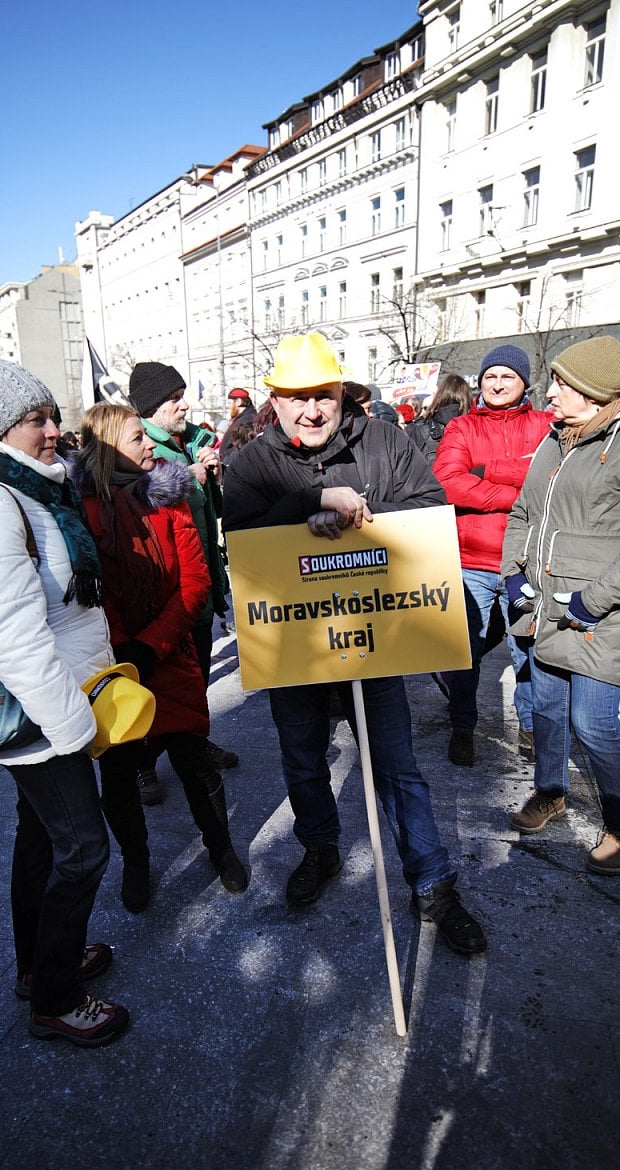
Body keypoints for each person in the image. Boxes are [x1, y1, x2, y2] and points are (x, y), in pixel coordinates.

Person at [223, 331, 486, 955]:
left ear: (342, 392)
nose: (311, 410)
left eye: (323, 396)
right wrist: (305, 504)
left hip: (376, 635)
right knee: (303, 756)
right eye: (295, 398)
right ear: (275, 401)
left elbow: (430, 506)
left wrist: (358, 513)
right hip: (295, 641)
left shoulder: (384, 440)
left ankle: (433, 884)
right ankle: (320, 846)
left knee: (397, 765)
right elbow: (239, 534)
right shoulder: (254, 462)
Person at [0, 330, 128, 1048]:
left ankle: (36, 963)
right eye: (36, 420)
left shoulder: (20, 486)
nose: (54, 431)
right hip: (43, 715)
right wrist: (72, 727)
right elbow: (12, 639)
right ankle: (54, 997)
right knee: (85, 851)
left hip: (50, 708)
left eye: (52, 415)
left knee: (41, 841)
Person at [502, 336, 620, 874]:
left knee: (594, 722)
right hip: (546, 606)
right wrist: (513, 574)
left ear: (594, 391)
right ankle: (551, 791)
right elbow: (522, 513)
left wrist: (592, 601)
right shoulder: (558, 438)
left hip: (600, 612)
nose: (549, 392)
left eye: (560, 382)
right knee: (549, 711)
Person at [72, 403, 248, 897]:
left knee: (194, 762)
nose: (150, 444)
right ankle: (137, 864)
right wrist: (124, 650)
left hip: (169, 656)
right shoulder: (79, 513)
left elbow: (194, 581)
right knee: (120, 776)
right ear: (108, 451)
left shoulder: (169, 497)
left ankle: (222, 849)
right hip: (111, 666)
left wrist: (150, 647)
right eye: (136, 439)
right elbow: (90, 592)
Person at [433, 345, 553, 766]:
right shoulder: (462, 427)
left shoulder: (547, 424)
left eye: (507, 377)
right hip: (473, 561)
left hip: (528, 560)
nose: (497, 384)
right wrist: (520, 488)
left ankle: (532, 729)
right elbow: (448, 483)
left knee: (528, 651)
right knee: (465, 652)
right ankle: (462, 727)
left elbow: (556, 477)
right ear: (479, 382)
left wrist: (489, 471)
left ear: (524, 383)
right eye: (490, 377)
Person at [128, 362, 237, 802]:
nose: (184, 404)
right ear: (152, 407)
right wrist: (185, 477)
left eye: (183, 394)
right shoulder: (137, 446)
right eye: (174, 398)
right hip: (164, 591)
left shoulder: (195, 439)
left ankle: (195, 743)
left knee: (197, 678)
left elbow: (212, 511)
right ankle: (142, 763)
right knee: (157, 682)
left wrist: (214, 474)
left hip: (202, 580)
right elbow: (135, 500)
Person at [406, 374, 473, 468]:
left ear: (439, 396)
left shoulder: (419, 429)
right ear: (468, 399)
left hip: (428, 480)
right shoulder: (476, 430)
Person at [219, 387, 257, 468]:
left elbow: (242, 448)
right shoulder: (243, 419)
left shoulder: (247, 421)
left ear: (238, 402)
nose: (228, 406)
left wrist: (227, 462)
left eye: (229, 403)